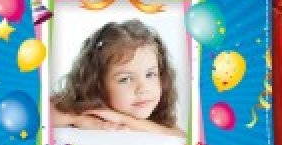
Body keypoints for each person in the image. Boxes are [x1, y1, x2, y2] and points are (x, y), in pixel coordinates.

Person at [51, 19, 185, 138]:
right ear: (97, 84)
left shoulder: (157, 117)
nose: (143, 89)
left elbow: (181, 137)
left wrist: (124, 120)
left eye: (150, 74)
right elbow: (44, 111)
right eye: (125, 79)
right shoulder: (90, 110)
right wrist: (77, 119)